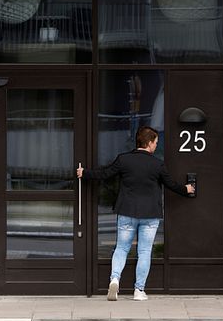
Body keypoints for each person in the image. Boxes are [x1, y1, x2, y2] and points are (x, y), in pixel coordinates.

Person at [77, 126, 195, 301]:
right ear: (148, 143)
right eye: (155, 142)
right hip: (150, 214)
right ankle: (139, 291)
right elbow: (171, 184)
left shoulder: (124, 160)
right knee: (145, 251)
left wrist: (85, 173)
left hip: (127, 211)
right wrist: (186, 189)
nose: (156, 146)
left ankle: (115, 279)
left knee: (122, 248)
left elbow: (104, 174)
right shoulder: (157, 164)